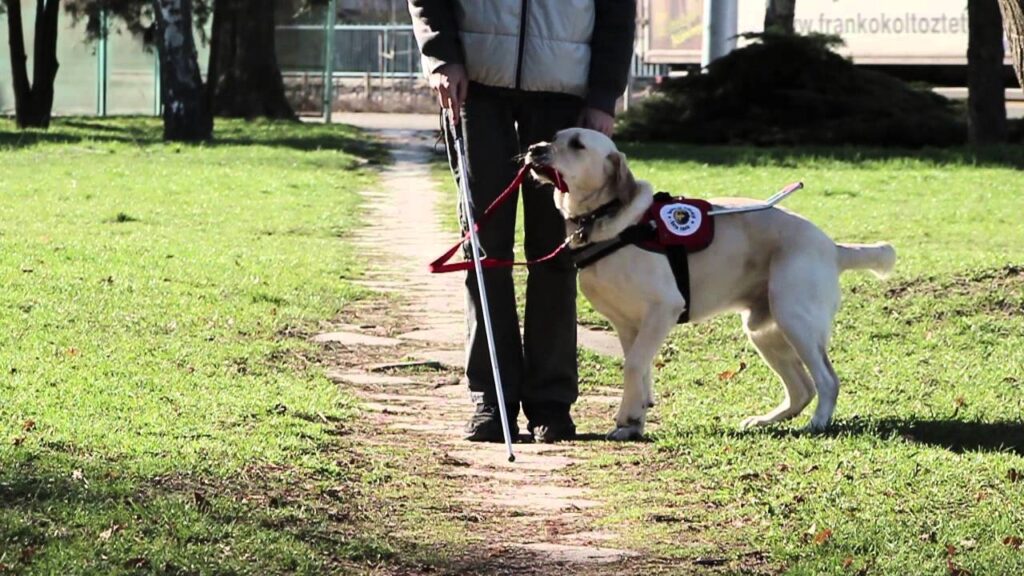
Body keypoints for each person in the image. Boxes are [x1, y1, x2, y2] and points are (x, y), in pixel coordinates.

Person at [409, 0, 636, 443]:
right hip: (475, 88)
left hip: (564, 95)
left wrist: (604, 96)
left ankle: (551, 403)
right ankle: (491, 398)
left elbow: (617, 13)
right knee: (485, 249)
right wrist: (442, 56)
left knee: (554, 251)